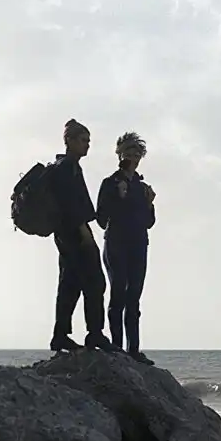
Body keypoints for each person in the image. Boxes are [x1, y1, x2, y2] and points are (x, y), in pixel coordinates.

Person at [49, 119, 117, 352]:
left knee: (70, 284)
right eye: (82, 140)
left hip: (67, 234)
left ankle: (62, 335)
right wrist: (83, 232)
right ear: (69, 141)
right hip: (73, 234)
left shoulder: (70, 166)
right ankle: (93, 333)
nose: (87, 145)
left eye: (88, 141)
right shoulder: (66, 168)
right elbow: (69, 205)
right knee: (94, 282)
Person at [96, 131, 156, 365]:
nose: (133, 157)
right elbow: (101, 219)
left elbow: (149, 222)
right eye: (129, 152)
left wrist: (149, 204)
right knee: (118, 293)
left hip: (139, 244)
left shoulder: (142, 187)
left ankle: (134, 350)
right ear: (119, 154)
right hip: (116, 243)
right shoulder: (110, 183)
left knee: (134, 298)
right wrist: (118, 196)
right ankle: (116, 347)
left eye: (137, 153)